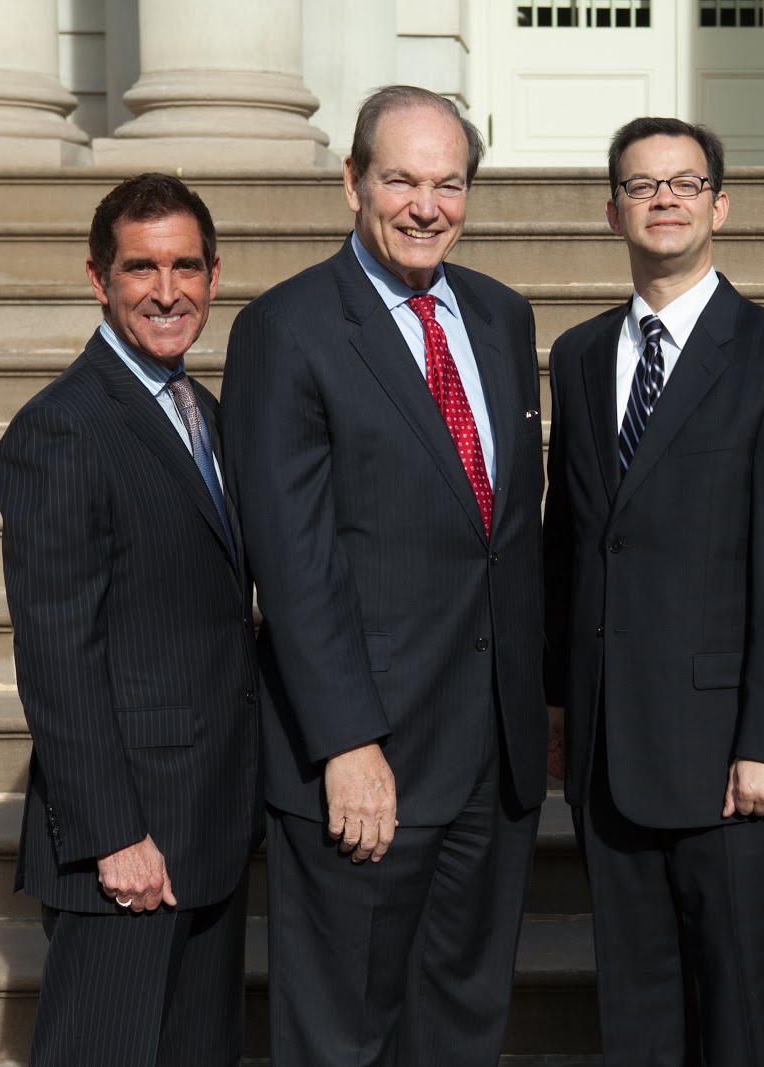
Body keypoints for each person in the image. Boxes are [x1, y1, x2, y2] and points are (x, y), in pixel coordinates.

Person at [221, 85, 546, 1065]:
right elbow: (293, 555)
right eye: (400, 178)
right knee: (343, 1036)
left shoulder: (497, 315)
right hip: (368, 762)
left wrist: (542, 703)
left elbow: (510, 537)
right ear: (351, 184)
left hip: (492, 753)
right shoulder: (287, 328)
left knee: (459, 1024)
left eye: (448, 183)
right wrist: (347, 743)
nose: (425, 204)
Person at [542, 116, 764, 1067]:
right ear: (612, 209)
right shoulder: (582, 355)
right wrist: (559, 699)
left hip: (729, 763)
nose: (663, 198)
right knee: (639, 1020)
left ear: (720, 203)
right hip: (608, 753)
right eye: (641, 184)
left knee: (744, 1021)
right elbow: (574, 541)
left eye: (683, 182)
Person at [0, 173, 257, 1066]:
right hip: (130, 844)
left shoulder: (206, 415)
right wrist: (114, 835)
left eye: (186, 266)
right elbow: (58, 652)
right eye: (141, 268)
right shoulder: (62, 429)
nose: (167, 290)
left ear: (215, 277)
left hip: (211, 828)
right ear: (99, 279)